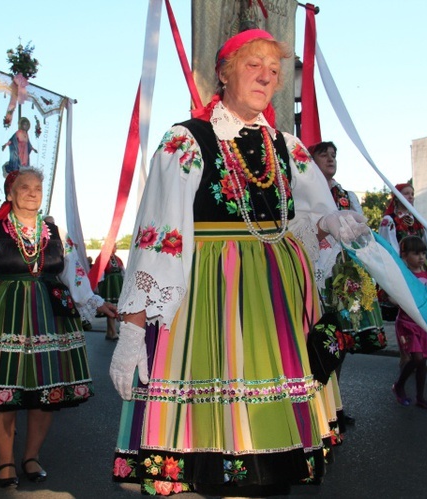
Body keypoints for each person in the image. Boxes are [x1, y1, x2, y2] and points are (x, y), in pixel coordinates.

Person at [109, 29, 368, 496]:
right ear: (224, 73)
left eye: (274, 70)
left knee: (271, 456)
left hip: (281, 302)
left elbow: (308, 218)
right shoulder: (186, 141)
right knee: (219, 443)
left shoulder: (287, 148)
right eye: (254, 65)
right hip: (214, 294)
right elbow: (158, 238)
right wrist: (132, 328)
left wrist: (333, 222)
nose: (267, 76)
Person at [0, 169, 117, 489]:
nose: (32, 193)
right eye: (24, 188)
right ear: (10, 194)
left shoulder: (55, 232)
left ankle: (31, 455)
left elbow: (72, 274)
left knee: (43, 393)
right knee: (3, 391)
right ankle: (5, 459)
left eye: (37, 188)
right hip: (5, 313)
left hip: (49, 315)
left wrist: (95, 302)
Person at [310, 141, 387, 425]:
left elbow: (361, 235)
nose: (330, 159)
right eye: (323, 154)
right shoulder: (306, 194)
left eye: (334, 155)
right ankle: (318, 406)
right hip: (319, 273)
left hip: (344, 276)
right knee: (320, 339)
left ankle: (335, 405)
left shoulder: (346, 196)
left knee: (340, 342)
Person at [379, 182, 427, 370]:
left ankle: (421, 355)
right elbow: (388, 247)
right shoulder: (389, 220)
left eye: (412, 194)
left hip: (422, 269)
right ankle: (405, 355)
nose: (410, 197)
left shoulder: (416, 219)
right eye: (406, 194)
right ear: (397, 197)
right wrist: (399, 270)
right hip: (403, 271)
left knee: (422, 314)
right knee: (406, 314)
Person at [391, 236, 427, 410]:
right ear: (404, 256)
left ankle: (421, 397)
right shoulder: (403, 276)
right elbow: (392, 296)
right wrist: (396, 299)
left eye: (423, 253)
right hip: (407, 324)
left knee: (422, 361)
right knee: (416, 358)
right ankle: (399, 385)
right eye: (416, 253)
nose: (421, 257)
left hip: (423, 325)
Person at [93, 244, 125, 340]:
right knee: (110, 308)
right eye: (114, 246)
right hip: (109, 286)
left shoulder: (117, 258)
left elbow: (123, 271)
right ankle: (113, 332)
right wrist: (98, 286)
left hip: (117, 285)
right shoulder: (102, 258)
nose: (116, 248)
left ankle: (109, 332)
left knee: (113, 308)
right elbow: (99, 273)